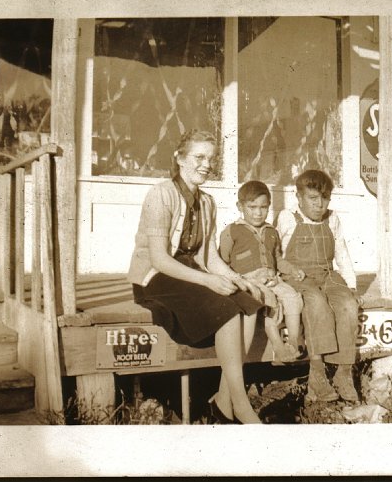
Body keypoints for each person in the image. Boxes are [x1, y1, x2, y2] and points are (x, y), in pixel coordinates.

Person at [128, 129, 264, 424]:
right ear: (179, 159)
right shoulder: (160, 195)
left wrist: (235, 278)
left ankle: (224, 401)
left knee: (250, 302)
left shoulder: (207, 203)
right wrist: (209, 281)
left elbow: (208, 257)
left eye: (210, 158)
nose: (206, 164)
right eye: (198, 157)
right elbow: (159, 259)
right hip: (156, 277)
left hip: (190, 273)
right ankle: (242, 407)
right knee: (227, 311)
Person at [276, 169, 361, 403]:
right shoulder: (287, 218)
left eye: (325, 199)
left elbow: (342, 253)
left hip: (327, 274)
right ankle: (317, 372)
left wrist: (352, 285)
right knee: (315, 303)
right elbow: (276, 254)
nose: (320, 205)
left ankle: (344, 373)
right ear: (299, 197)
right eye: (313, 199)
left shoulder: (332, 219)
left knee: (347, 304)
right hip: (299, 276)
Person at [219, 180, 306, 364]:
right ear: (240, 206)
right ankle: (278, 346)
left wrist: (292, 269)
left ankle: (292, 343)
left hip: (273, 280)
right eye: (252, 207)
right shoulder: (232, 231)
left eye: (263, 207)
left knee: (291, 296)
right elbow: (222, 262)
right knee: (269, 300)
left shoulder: (271, 231)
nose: (258, 213)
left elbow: (278, 259)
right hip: (249, 283)